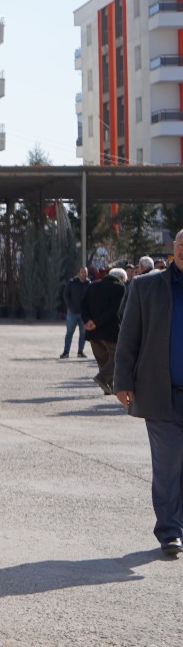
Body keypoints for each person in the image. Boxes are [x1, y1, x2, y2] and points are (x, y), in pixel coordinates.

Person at [113, 228, 183, 557]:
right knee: (167, 466)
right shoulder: (146, 287)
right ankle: (170, 531)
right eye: (181, 245)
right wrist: (122, 381)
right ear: (173, 249)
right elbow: (128, 337)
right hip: (160, 394)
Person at [83, 266, 127, 395]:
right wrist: (96, 322)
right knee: (120, 356)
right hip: (110, 330)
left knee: (102, 360)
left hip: (92, 332)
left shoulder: (92, 286)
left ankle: (108, 387)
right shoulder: (119, 287)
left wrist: (88, 321)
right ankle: (102, 379)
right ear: (121, 278)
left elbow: (83, 306)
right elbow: (113, 310)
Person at [61, 266, 90, 358]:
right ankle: (66, 352)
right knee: (69, 333)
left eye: (85, 272)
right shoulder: (71, 282)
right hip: (72, 312)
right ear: (78, 273)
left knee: (83, 333)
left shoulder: (89, 284)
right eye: (82, 272)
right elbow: (66, 294)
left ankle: (80, 352)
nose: (84, 274)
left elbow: (92, 297)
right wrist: (70, 305)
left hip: (84, 314)